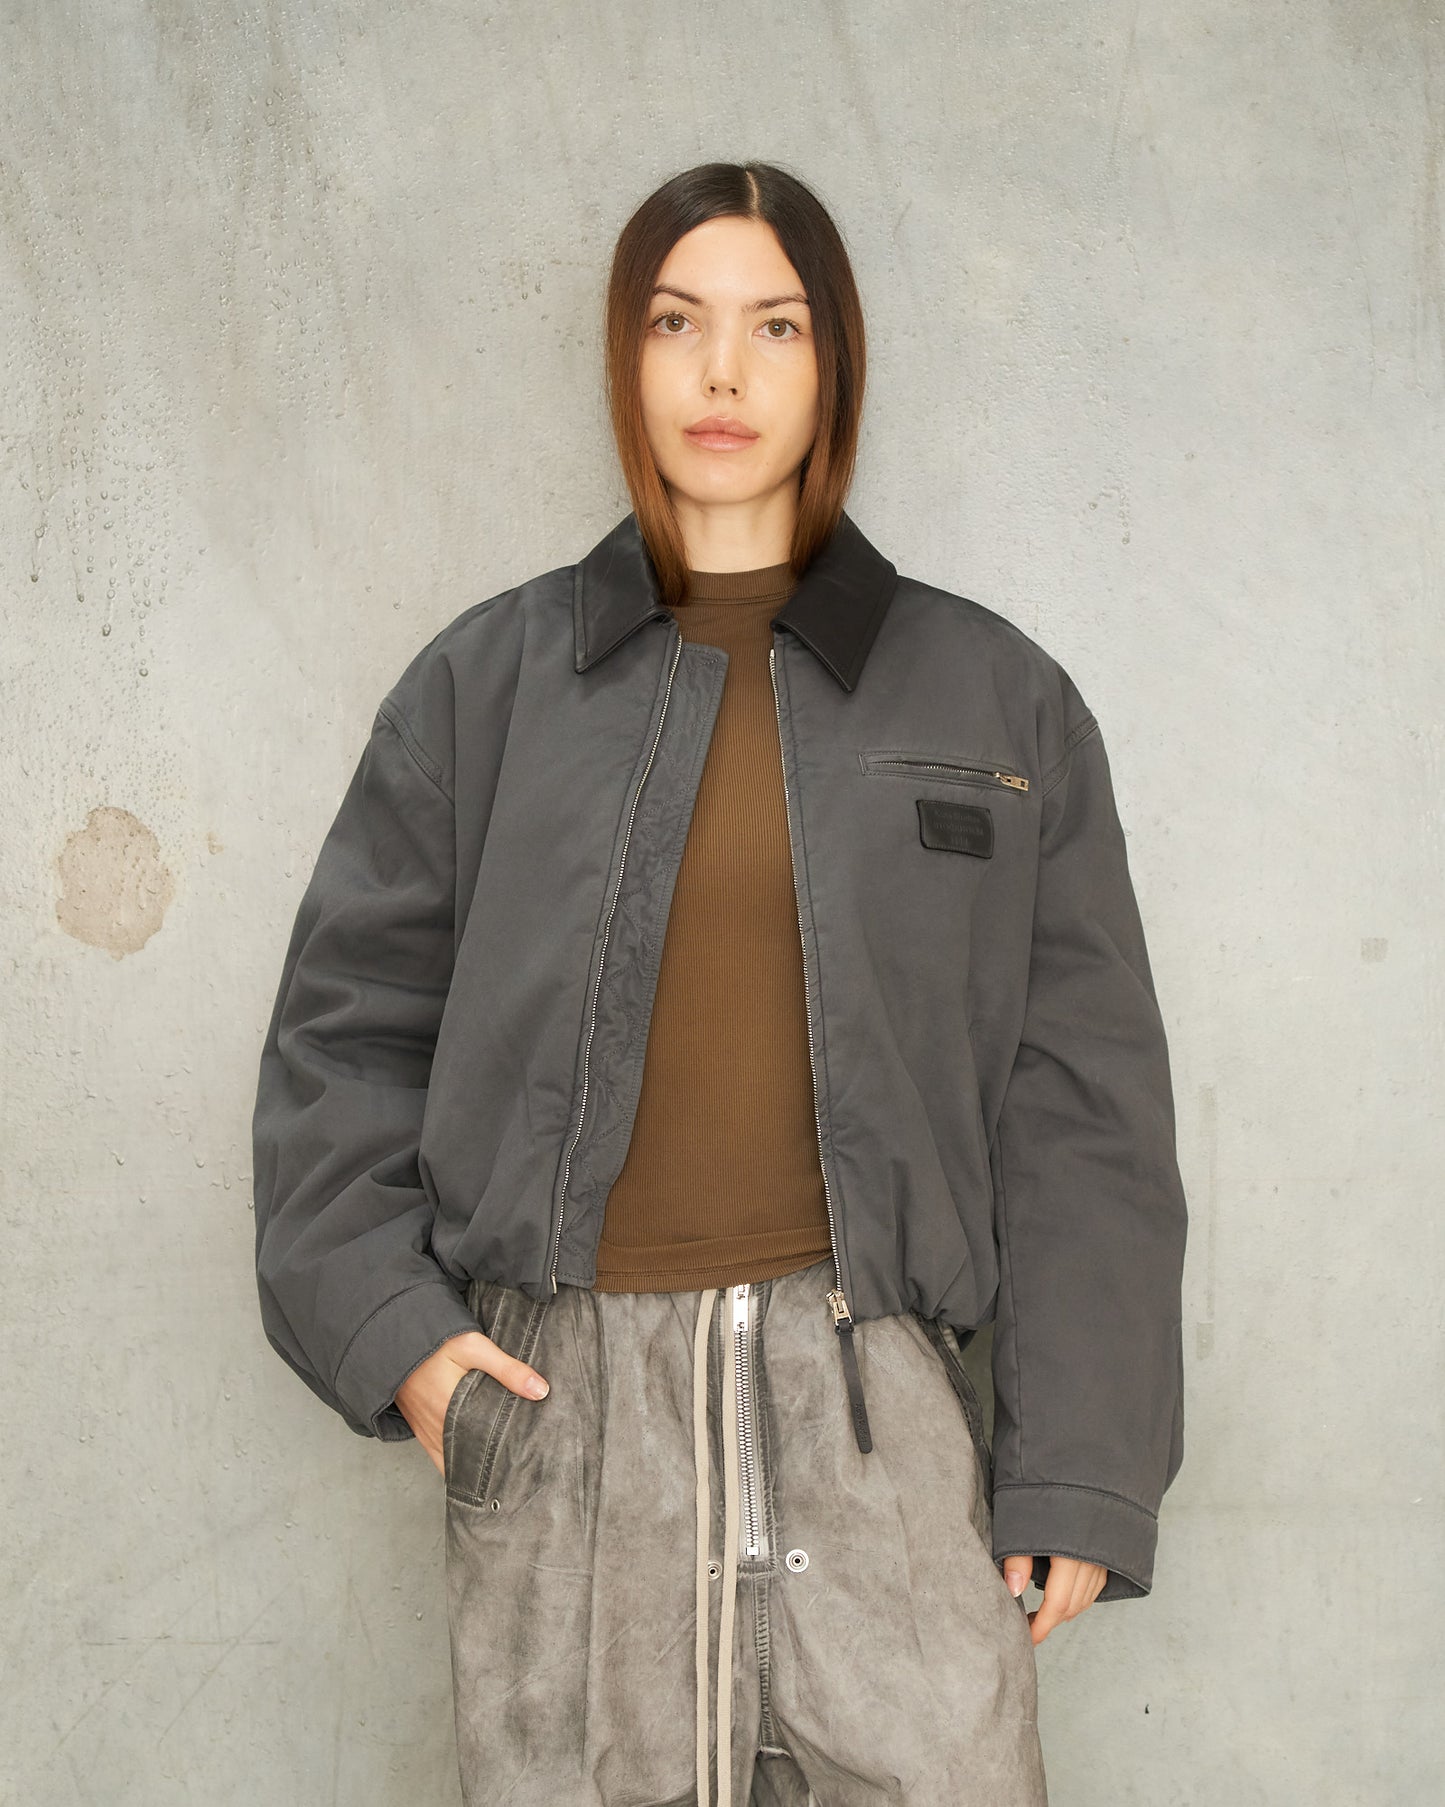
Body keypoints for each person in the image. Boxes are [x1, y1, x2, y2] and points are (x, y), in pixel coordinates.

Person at [251, 160, 1187, 1807]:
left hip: (881, 1417)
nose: (723, 372)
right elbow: (345, 1038)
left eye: (775, 326)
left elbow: (1080, 1108)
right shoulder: (486, 688)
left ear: (834, 365)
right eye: (676, 323)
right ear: (626, 356)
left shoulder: (995, 697)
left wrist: (1081, 1467)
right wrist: (401, 1339)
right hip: (566, 1422)